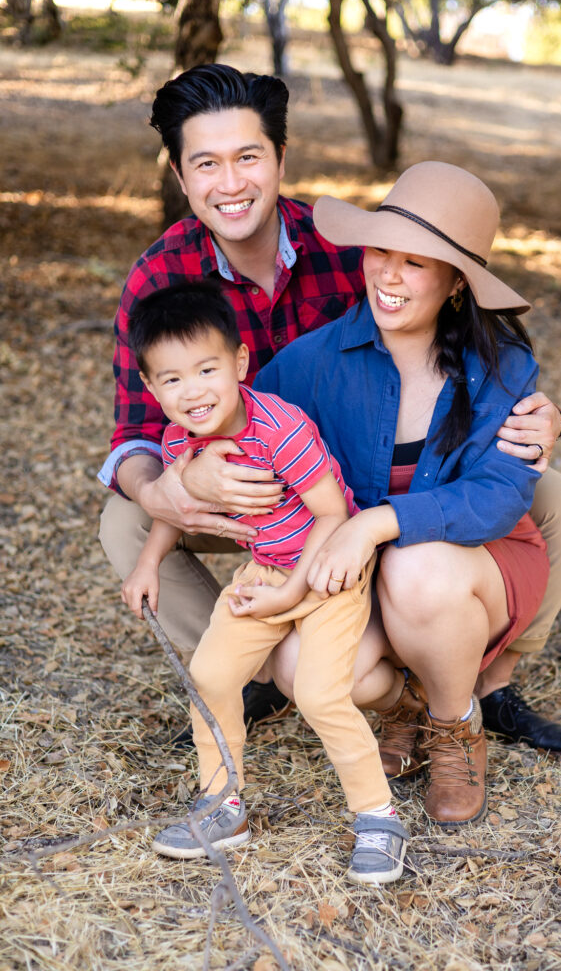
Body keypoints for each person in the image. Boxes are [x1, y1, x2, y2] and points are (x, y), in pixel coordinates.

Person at [98, 62, 561, 751]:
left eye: (248, 157)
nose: (230, 183)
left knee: (557, 497)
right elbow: (134, 430)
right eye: (206, 164)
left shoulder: (349, 247)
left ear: (279, 159)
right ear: (181, 178)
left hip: (363, 480)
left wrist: (551, 419)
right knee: (126, 518)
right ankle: (262, 662)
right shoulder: (162, 277)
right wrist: (178, 481)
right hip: (265, 485)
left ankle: (487, 683)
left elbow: (464, 345)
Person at [253, 161, 561, 825]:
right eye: (381, 251)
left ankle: (453, 723)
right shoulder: (308, 362)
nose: (389, 275)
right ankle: (404, 708)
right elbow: (247, 434)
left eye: (417, 263)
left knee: (417, 565)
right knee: (300, 668)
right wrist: (195, 469)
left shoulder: (502, 369)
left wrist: (376, 522)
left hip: (469, 568)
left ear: (456, 281)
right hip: (359, 574)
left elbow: (494, 498)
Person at [121, 282, 407, 883]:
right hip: (265, 569)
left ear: (240, 363)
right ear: (150, 388)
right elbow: (172, 511)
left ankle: (378, 817)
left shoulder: (280, 426)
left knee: (320, 691)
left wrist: (292, 593)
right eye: (171, 379)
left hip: (328, 566)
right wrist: (148, 563)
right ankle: (224, 804)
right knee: (210, 676)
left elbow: (332, 515)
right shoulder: (180, 442)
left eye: (206, 369)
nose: (193, 391)